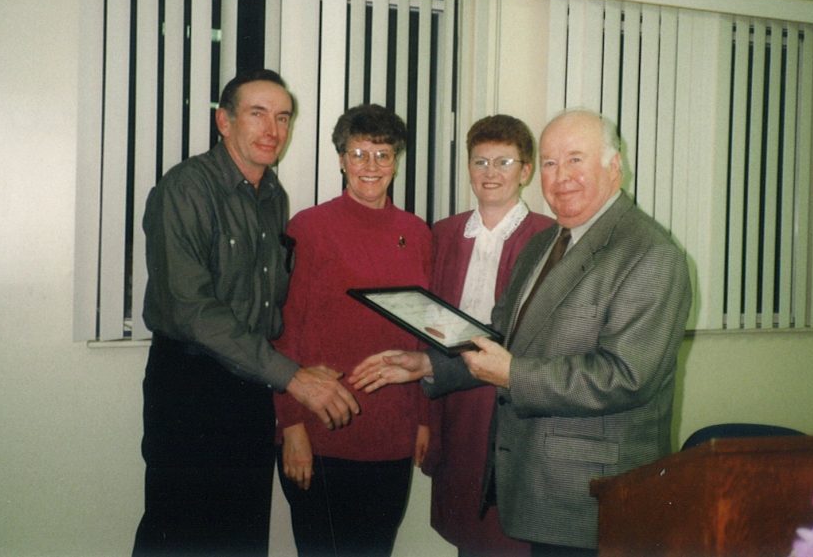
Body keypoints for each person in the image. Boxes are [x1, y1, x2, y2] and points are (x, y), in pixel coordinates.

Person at [351, 110, 692, 556]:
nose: (561, 176)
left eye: (575, 160)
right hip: (535, 484)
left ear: (614, 166)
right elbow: (500, 338)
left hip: (595, 499)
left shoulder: (650, 254)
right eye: (551, 162)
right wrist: (427, 364)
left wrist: (513, 375)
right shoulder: (546, 243)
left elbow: (625, 376)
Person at [133, 70, 360, 557]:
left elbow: (271, 304)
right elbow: (193, 310)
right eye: (257, 114)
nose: (272, 130)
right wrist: (293, 377)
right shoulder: (186, 188)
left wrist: (302, 368)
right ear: (224, 121)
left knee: (242, 532)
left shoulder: (272, 196)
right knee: (181, 534)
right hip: (191, 386)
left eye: (283, 117)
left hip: (252, 385)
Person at [273, 103, 432, 557]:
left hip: (391, 434)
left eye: (383, 154)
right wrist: (291, 426)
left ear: (397, 161)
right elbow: (285, 331)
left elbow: (425, 335)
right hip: (320, 429)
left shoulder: (417, 234)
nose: (371, 166)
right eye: (359, 153)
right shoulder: (309, 228)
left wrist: (424, 418)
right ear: (341, 160)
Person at [425, 115, 553, 557]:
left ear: (526, 170)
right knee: (468, 528)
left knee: (510, 533)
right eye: (480, 161)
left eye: (504, 162)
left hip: (513, 402)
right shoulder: (443, 234)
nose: (490, 173)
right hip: (454, 398)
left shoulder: (548, 236)